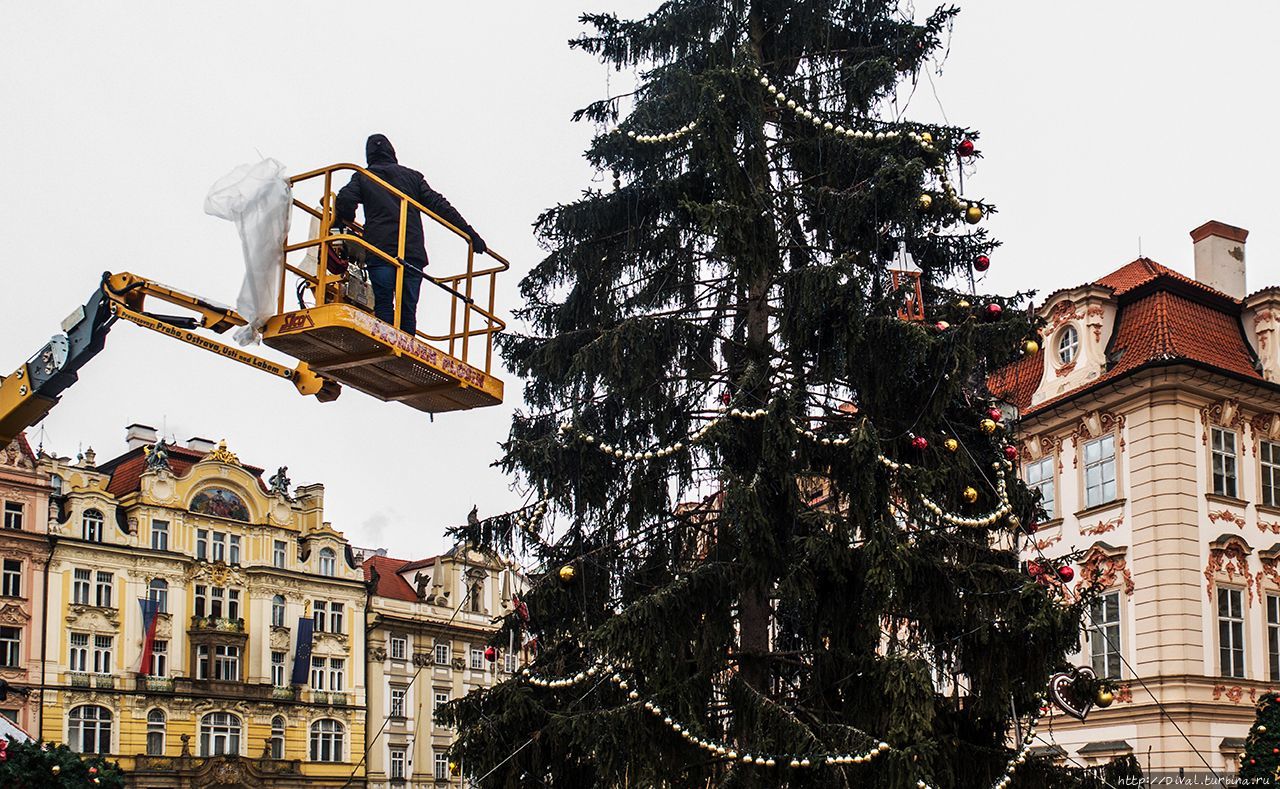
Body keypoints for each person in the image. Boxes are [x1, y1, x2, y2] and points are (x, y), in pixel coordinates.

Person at [335, 133, 486, 334]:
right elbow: (440, 205)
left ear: (369, 155)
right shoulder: (412, 178)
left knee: (384, 303)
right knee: (408, 308)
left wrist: (343, 219)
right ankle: (405, 347)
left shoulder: (364, 177)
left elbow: (344, 199)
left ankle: (386, 343)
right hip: (411, 251)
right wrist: (469, 233)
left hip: (380, 250)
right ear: (392, 152)